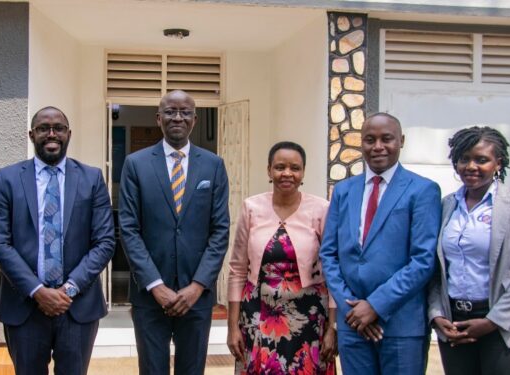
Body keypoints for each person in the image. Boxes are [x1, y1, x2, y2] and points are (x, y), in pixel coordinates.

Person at [0, 106, 115, 375]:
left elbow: (104, 242)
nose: (51, 134)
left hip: (77, 306)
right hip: (25, 305)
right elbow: (0, 244)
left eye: (58, 128)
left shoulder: (91, 178)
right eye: (44, 128)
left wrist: (68, 290)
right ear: (31, 134)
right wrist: (38, 291)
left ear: (68, 134)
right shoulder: (7, 179)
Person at [319, 112, 441, 375]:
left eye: (387, 139)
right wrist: (352, 307)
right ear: (360, 142)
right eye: (369, 139)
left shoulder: (422, 190)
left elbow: (423, 260)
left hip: (400, 324)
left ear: (401, 141)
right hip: (353, 324)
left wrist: (375, 305)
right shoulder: (343, 191)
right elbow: (329, 255)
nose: (377, 147)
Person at [118, 90, 230, 375]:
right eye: (170, 111)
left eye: (185, 112)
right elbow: (129, 229)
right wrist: (156, 286)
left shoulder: (213, 165)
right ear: (159, 118)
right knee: (152, 370)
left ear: (194, 120)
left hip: (197, 296)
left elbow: (220, 231)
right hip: (149, 297)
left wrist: (197, 286)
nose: (177, 117)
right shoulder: (136, 164)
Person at [428, 126, 510, 374]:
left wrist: (492, 321)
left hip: (507, 330)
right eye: (464, 159)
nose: (471, 166)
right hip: (456, 327)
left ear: (497, 163)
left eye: (482, 160)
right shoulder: (447, 205)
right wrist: (437, 315)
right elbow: (437, 271)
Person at [227, 141, 337, 374]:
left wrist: (332, 327)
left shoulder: (321, 210)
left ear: (303, 172)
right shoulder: (251, 208)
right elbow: (237, 270)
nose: (287, 173)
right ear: (269, 170)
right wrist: (232, 327)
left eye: (295, 168)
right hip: (259, 315)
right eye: (280, 167)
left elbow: (332, 270)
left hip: (309, 318)